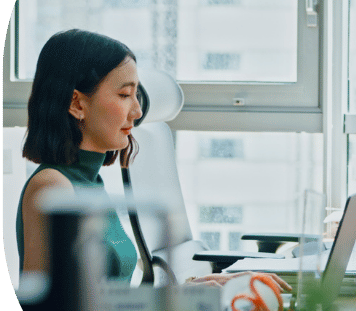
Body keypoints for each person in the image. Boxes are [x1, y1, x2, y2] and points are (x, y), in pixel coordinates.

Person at [16, 28, 289, 291]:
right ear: (77, 104)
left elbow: (108, 302)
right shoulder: (52, 187)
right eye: (124, 95)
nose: (136, 111)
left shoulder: (91, 182)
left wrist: (191, 290)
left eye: (136, 95)